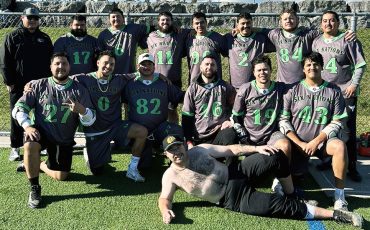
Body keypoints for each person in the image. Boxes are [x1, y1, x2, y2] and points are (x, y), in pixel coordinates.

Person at [158, 135, 363, 228]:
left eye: (178, 146)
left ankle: (291, 192)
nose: (176, 152)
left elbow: (231, 150)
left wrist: (257, 149)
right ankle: (337, 215)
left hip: (237, 172)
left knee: (276, 154)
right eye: (171, 150)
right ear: (166, 154)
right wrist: (165, 210)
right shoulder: (170, 176)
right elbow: (164, 199)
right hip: (232, 199)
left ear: (184, 145)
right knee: (280, 207)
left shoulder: (199, 150)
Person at [12, 52, 95, 208]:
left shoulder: (79, 90)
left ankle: (38, 164)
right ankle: (35, 188)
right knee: (30, 143)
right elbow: (18, 108)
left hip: (63, 139)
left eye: (64, 63)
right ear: (50, 67)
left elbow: (91, 119)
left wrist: (82, 110)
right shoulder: (38, 85)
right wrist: (28, 126)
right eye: (57, 63)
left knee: (61, 176)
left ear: (70, 66)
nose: (60, 67)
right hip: (42, 132)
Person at [279, 52, 349, 210]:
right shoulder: (292, 90)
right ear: (303, 69)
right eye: (308, 65)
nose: (312, 67)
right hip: (298, 144)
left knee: (339, 146)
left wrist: (316, 141)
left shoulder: (334, 90)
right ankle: (281, 184)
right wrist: (300, 143)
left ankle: (339, 196)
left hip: (321, 143)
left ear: (322, 67)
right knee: (283, 147)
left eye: (316, 64)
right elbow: (283, 121)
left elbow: (337, 121)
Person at [71, 50, 148, 181]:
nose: (108, 66)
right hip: (95, 131)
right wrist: (33, 83)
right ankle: (91, 153)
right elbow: (61, 79)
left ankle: (132, 169)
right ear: (98, 63)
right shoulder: (84, 78)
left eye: (112, 64)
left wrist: (159, 75)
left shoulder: (119, 79)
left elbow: (140, 73)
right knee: (97, 171)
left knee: (142, 132)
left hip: (115, 126)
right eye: (105, 63)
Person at [312, 10, 367, 182]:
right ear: (321, 24)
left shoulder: (348, 40)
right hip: (325, 93)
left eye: (332, 21)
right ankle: (329, 159)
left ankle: (352, 167)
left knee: (347, 129)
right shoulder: (316, 41)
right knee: (326, 127)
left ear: (338, 22)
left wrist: (354, 84)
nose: (328, 24)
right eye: (325, 21)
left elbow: (360, 64)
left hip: (345, 92)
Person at [231, 55, 291, 194]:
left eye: (265, 69)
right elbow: (236, 116)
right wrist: (243, 136)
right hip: (250, 136)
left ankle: (279, 180)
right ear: (253, 73)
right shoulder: (245, 89)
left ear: (271, 70)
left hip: (271, 134)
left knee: (285, 145)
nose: (262, 73)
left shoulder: (280, 88)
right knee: (252, 178)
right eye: (258, 70)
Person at [0, 7, 53, 161]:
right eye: (29, 18)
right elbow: (4, 61)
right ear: (22, 18)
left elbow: (51, 61)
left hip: (41, 85)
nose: (32, 21)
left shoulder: (44, 37)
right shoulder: (12, 37)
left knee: (42, 115)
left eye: (35, 18)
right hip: (18, 84)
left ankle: (41, 144)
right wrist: (9, 81)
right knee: (17, 115)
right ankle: (15, 147)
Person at [123, 53, 184, 168]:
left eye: (149, 64)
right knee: (144, 166)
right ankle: (148, 151)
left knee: (176, 130)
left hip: (160, 128)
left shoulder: (164, 83)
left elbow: (180, 96)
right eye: (143, 64)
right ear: (137, 66)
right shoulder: (130, 84)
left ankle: (173, 158)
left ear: (154, 66)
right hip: (140, 132)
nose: (146, 67)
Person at [266, 9, 355, 86]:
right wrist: (252, 28)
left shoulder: (308, 34)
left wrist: (346, 34)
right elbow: (257, 30)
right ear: (280, 22)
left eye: (291, 18)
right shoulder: (275, 34)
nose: (288, 21)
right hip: (282, 83)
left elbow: (329, 33)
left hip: (304, 83)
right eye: (285, 19)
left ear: (297, 20)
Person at [182, 55, 236, 149]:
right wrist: (189, 141)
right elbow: (187, 117)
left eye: (212, 65)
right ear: (201, 67)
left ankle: (230, 164)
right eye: (206, 64)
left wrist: (231, 121)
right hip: (199, 137)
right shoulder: (192, 89)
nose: (209, 67)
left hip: (219, 133)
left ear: (216, 67)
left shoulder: (225, 87)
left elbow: (237, 107)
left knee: (230, 134)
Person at [147, 11, 190, 123]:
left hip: (173, 80)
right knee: (156, 110)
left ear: (172, 22)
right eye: (163, 20)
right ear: (158, 22)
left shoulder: (179, 34)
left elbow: (195, 31)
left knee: (172, 109)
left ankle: (174, 133)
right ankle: (156, 134)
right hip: (156, 79)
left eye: (168, 20)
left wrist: (177, 27)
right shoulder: (151, 36)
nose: (165, 22)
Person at [224, 13, 275, 89]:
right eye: (242, 23)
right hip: (235, 87)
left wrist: (256, 29)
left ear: (252, 23)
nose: (245, 26)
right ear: (237, 24)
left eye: (248, 23)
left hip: (255, 87)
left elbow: (277, 34)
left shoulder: (260, 38)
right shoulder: (229, 38)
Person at [98, 8, 152, 75]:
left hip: (129, 72)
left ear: (123, 18)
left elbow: (152, 29)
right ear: (109, 20)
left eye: (118, 16)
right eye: (113, 17)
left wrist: (142, 42)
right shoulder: (103, 34)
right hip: (110, 73)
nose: (116, 18)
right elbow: (100, 56)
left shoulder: (133, 29)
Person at [185, 12, 227, 83]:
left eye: (202, 22)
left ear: (206, 23)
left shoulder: (217, 37)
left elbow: (228, 53)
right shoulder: (188, 39)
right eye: (197, 23)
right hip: (195, 82)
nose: (200, 25)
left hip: (214, 82)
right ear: (192, 25)